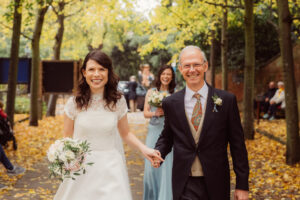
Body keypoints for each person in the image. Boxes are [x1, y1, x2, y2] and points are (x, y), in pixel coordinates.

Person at [54, 50, 162, 200]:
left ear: (108, 72)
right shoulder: (74, 104)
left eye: (101, 69)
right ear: (84, 73)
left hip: (110, 168)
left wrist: (144, 149)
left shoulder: (117, 102)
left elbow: (126, 134)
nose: (96, 74)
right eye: (91, 69)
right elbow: (66, 138)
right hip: (81, 169)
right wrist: (66, 159)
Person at [153, 46, 249, 200]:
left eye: (196, 64)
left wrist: (242, 184)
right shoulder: (171, 102)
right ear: (180, 69)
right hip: (184, 181)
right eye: (187, 66)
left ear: (205, 66)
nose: (192, 70)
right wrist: (159, 151)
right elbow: (167, 136)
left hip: (216, 180)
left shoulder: (227, 100)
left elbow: (238, 145)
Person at [143, 65, 176, 200]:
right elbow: (145, 113)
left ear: (172, 77)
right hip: (153, 132)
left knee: (166, 168)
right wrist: (155, 113)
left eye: (169, 74)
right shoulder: (151, 92)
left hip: (169, 134)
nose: (166, 77)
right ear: (159, 76)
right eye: (163, 74)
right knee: (151, 169)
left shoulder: (176, 94)